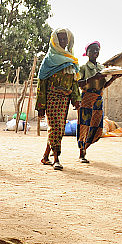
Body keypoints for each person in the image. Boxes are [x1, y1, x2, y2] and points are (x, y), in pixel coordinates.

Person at [36, 28, 81, 171]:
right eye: (60, 39)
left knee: (58, 128)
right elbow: (41, 83)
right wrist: (41, 105)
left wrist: (76, 99)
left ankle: (45, 156)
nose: (62, 42)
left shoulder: (71, 59)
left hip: (65, 100)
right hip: (52, 98)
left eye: (65, 39)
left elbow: (74, 82)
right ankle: (56, 158)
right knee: (56, 127)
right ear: (54, 40)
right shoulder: (49, 60)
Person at [76, 41, 122, 163]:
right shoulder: (83, 68)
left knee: (97, 126)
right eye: (92, 50)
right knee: (84, 124)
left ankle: (85, 147)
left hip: (98, 99)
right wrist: (92, 78)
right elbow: (78, 83)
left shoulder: (102, 68)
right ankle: (82, 153)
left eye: (97, 50)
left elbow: (103, 85)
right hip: (86, 98)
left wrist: (112, 78)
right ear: (87, 53)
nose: (95, 52)